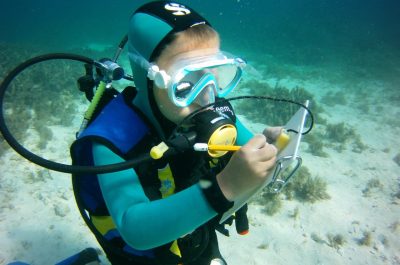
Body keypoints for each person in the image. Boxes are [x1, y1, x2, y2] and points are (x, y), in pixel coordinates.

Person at [71, 1, 280, 265]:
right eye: (186, 83)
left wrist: (270, 147)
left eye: (214, 73)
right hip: (144, 255)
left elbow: (251, 148)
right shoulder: (110, 140)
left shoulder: (203, 107)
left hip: (193, 226)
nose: (207, 95)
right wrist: (225, 186)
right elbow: (133, 228)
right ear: (149, 77)